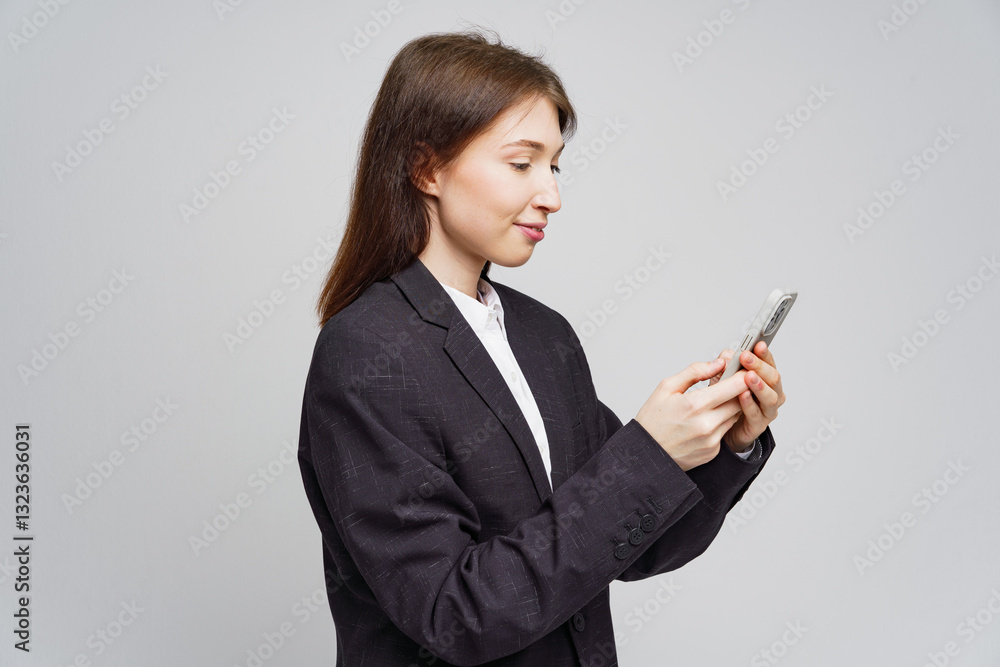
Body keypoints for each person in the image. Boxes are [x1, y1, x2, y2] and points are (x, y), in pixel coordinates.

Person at [297, 28, 784, 667]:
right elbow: (454, 615)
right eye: (521, 163)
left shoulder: (543, 335)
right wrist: (648, 452)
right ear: (426, 168)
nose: (551, 196)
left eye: (554, 166)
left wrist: (728, 443)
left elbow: (629, 544)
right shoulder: (365, 354)